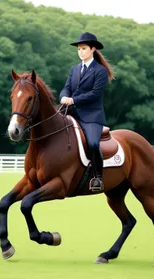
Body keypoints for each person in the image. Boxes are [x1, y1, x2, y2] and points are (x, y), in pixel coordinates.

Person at [59, 32, 114, 192]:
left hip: (92, 116)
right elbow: (67, 87)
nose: (80, 52)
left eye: (83, 48)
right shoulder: (74, 69)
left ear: (93, 49)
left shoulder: (100, 71)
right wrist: (63, 96)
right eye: (79, 49)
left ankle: (98, 178)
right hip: (71, 112)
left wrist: (74, 100)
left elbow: (95, 94)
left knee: (93, 143)